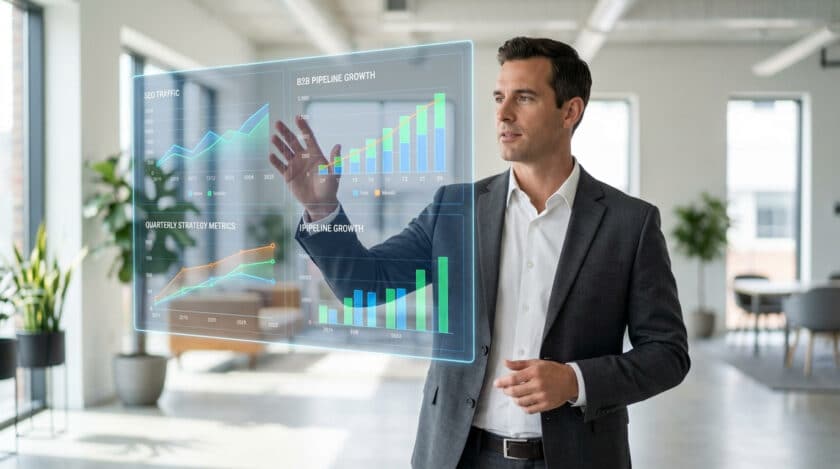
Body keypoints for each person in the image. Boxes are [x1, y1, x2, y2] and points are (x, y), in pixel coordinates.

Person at [269, 36, 690, 469]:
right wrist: (321, 209)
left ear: (570, 111)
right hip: (460, 455)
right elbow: (363, 286)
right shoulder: (454, 210)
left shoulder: (629, 224)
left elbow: (667, 353)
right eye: (498, 97)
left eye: (524, 98)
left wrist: (575, 381)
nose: (503, 114)